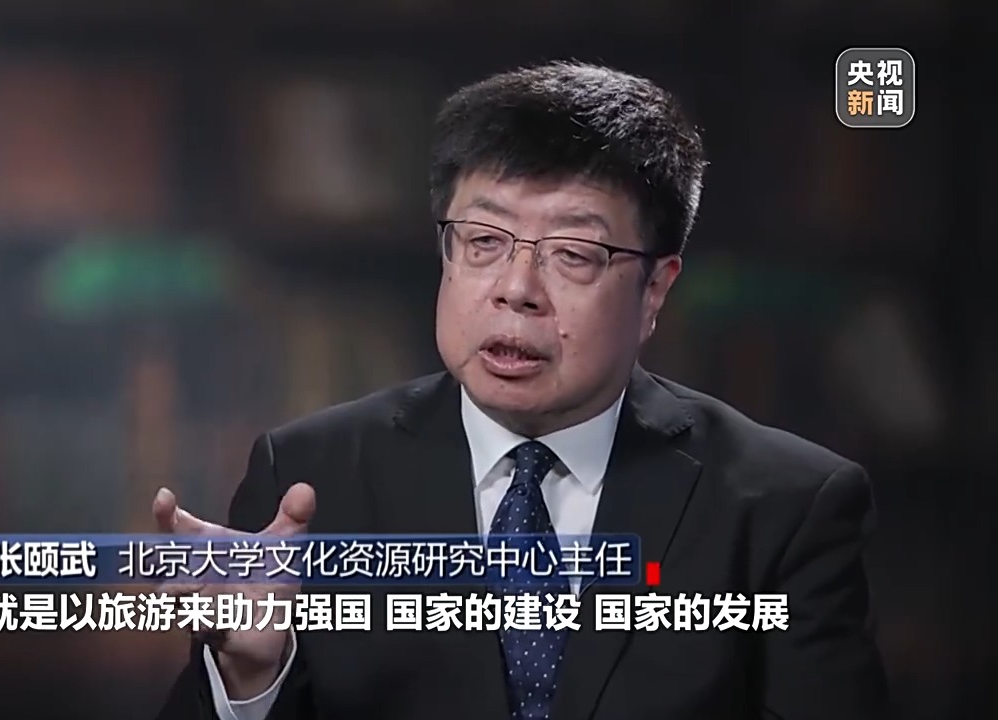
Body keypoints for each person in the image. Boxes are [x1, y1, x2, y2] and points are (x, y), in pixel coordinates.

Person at [153, 60, 888, 720]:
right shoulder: (308, 481)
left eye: (573, 254)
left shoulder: (786, 508)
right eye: (484, 241)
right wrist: (252, 678)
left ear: (655, 290)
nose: (516, 289)